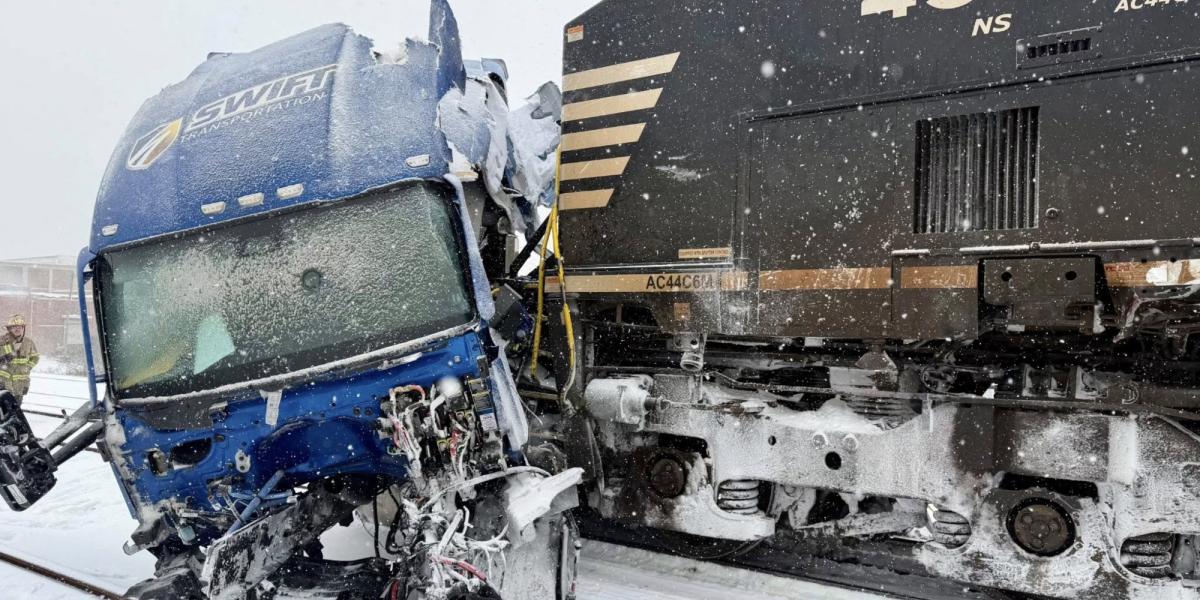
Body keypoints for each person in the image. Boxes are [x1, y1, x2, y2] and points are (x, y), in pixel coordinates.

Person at [0, 315, 39, 403]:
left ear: (23, 328)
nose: (18, 329)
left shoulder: (28, 343)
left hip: (19, 386)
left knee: (16, 408)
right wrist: (9, 349)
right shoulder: (2, 340)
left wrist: (27, 368)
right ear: (9, 329)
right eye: (15, 327)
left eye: (20, 327)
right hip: (3, 384)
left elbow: (35, 357)